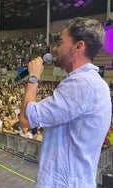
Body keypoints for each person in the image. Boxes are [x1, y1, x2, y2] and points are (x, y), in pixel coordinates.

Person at [19, 17, 111, 188]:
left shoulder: (81, 84)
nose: (55, 48)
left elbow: (25, 119)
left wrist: (33, 78)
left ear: (78, 46)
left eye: (60, 42)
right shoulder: (96, 84)